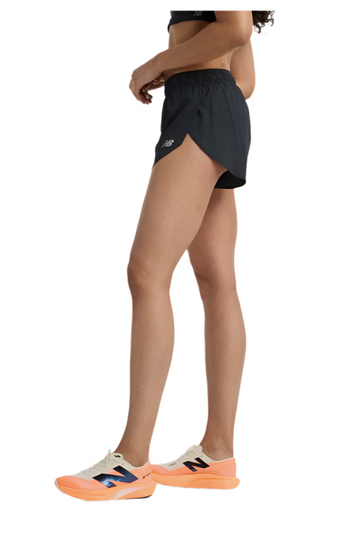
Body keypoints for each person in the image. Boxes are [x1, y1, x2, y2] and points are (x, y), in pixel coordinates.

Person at [55, 10, 275, 502]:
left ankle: (132, 462)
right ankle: (217, 453)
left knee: (147, 272)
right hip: (212, 104)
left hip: (200, 106)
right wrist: (187, 75)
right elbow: (244, 79)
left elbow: (236, 31)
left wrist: (159, 63)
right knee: (216, 278)